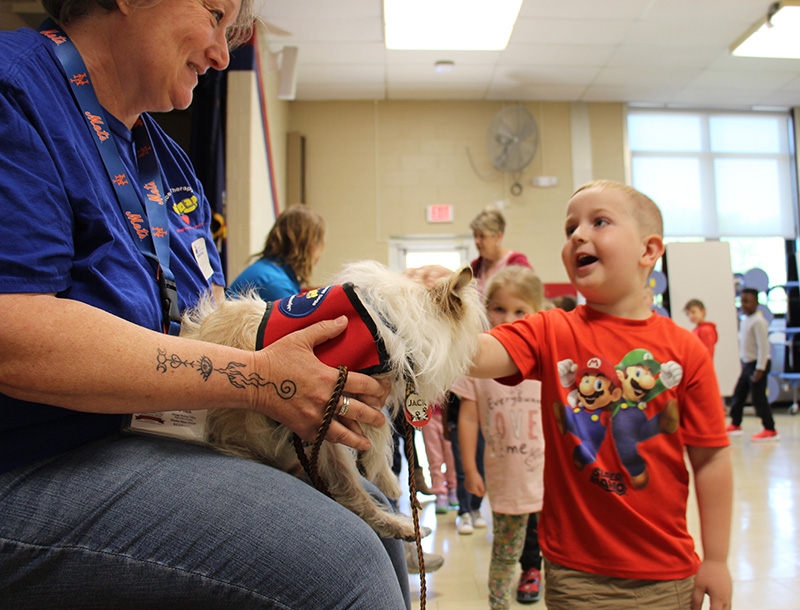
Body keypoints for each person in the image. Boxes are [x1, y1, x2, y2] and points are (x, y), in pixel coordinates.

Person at [0, 2, 410, 608]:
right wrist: (259, 379)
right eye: (215, 14)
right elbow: (15, 332)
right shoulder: (18, 92)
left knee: (374, 508)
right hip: (33, 459)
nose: (222, 54)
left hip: (144, 439)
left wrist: (309, 371)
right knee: (346, 566)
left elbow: (206, 326)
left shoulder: (167, 165)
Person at [463, 180, 732, 609]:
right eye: (570, 228)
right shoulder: (551, 329)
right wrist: (439, 304)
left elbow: (712, 457)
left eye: (599, 222)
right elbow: (475, 356)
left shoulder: (685, 351)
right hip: (576, 574)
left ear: (649, 251)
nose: (577, 236)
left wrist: (716, 558)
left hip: (666, 573)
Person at [453, 265, 545, 609]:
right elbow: (468, 418)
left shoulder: (545, 357)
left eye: (521, 310)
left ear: (538, 313)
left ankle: (539, 580)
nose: (510, 318)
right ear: (485, 310)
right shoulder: (478, 363)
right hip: (507, 476)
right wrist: (470, 471)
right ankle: (498, 603)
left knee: (552, 548)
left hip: (549, 475)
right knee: (506, 551)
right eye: (500, 308)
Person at [228, 204, 325, 301]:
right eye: (319, 241)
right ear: (308, 245)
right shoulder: (275, 283)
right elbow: (296, 315)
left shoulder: (269, 270)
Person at [726, 288, 777, 441]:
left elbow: (763, 347)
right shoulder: (745, 320)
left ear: (756, 302)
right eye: (742, 301)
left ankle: (770, 429)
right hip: (748, 364)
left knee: (758, 398)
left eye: (747, 302)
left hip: (758, 365)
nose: (744, 305)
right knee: (738, 394)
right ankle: (735, 424)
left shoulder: (759, 322)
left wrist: (760, 369)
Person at [469, 206, 532, 294]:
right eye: (475, 236)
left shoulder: (517, 262)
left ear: (498, 236)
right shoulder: (476, 266)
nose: (477, 241)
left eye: (482, 236)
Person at [419, 401, 458, 513]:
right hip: (428, 415)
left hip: (448, 414)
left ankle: (453, 486)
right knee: (434, 456)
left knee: (451, 455)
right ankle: (440, 492)